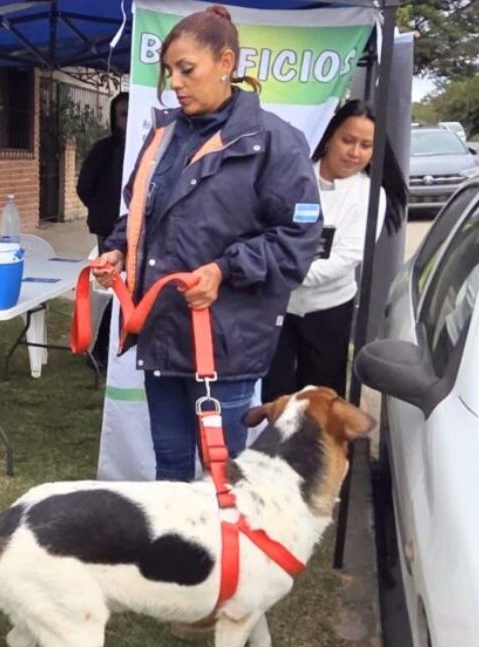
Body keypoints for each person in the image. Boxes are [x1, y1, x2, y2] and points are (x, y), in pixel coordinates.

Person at [93, 5, 322, 482]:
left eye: (187, 69)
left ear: (226, 62)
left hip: (225, 341)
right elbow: (141, 213)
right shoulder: (163, 135)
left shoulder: (276, 142)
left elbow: (296, 240)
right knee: (171, 467)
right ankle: (177, 555)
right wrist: (117, 249)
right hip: (162, 332)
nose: (175, 82)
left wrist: (224, 271)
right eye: (169, 71)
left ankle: (226, 554)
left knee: (224, 474)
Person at [264, 99, 384, 401]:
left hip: (329, 310)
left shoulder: (371, 195)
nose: (355, 152)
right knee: (274, 397)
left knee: (321, 401)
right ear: (330, 136)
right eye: (348, 140)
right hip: (279, 307)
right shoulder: (295, 178)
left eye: (366, 145)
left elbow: (345, 260)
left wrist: (280, 273)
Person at [77, 91, 130, 368]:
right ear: (114, 118)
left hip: (139, 229)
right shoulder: (104, 150)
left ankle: (110, 349)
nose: (128, 119)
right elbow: (84, 187)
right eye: (122, 114)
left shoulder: (148, 147)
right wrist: (102, 211)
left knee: (131, 290)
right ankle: (101, 350)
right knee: (116, 288)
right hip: (109, 229)